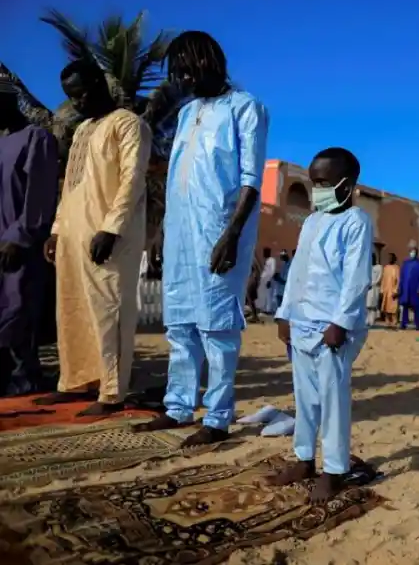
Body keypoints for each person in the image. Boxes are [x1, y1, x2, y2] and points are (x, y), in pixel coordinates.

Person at [133, 31, 269, 445]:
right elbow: (176, 181)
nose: (184, 80)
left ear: (210, 63)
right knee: (180, 324)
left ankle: (218, 417)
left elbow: (250, 180)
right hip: (178, 233)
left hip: (219, 232)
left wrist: (231, 235)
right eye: (179, 74)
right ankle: (178, 407)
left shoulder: (245, 108)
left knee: (216, 326)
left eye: (189, 70)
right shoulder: (187, 111)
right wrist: (160, 234)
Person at [37, 59, 149, 415]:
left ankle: (111, 392)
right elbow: (70, 185)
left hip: (109, 236)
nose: (79, 101)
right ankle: (75, 381)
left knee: (108, 311)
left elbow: (132, 180)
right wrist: (57, 230)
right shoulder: (83, 129)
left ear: (100, 84)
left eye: (83, 92)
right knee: (71, 310)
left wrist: (111, 228)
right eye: (72, 96)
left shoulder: (129, 124)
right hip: (72, 233)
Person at [266, 147, 372, 503]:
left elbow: (356, 279)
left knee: (332, 400)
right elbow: (296, 272)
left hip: (333, 329)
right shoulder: (312, 221)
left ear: (348, 184)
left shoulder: (356, 221)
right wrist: (284, 312)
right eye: (314, 182)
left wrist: (340, 323)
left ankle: (336, 469)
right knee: (305, 399)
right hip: (301, 323)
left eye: (325, 182)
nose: (318, 189)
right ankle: (303, 459)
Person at [0, 76, 59, 397]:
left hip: (20, 243)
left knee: (19, 308)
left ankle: (27, 379)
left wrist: (20, 237)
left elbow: (39, 194)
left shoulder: (36, 138)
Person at [398, 246, 419, 330]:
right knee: (405, 306)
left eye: (414, 252)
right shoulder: (405, 263)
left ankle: (418, 324)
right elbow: (402, 276)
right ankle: (403, 324)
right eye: (411, 251)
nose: (412, 253)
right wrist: (400, 287)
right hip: (406, 288)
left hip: (415, 288)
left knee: (416, 306)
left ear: (416, 253)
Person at [380, 253, 400, 327]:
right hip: (386, 290)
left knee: (393, 308)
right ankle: (387, 322)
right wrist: (381, 291)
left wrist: (396, 291)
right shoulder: (385, 268)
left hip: (393, 291)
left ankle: (394, 322)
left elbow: (399, 281)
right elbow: (383, 280)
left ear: (394, 259)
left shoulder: (397, 268)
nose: (389, 259)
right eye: (388, 258)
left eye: (391, 258)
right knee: (386, 307)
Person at [257, 247, 276, 314]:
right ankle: (263, 308)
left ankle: (268, 310)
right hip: (263, 280)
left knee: (268, 294)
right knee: (262, 294)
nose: (264, 254)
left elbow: (272, 270)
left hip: (268, 280)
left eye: (265, 252)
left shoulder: (272, 260)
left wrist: (269, 280)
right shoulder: (266, 259)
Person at [366, 254, 382, 326]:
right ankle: (367, 321)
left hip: (375, 288)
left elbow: (379, 277)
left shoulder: (379, 267)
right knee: (367, 305)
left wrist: (373, 283)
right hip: (367, 288)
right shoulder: (367, 267)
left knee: (373, 306)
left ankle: (372, 321)